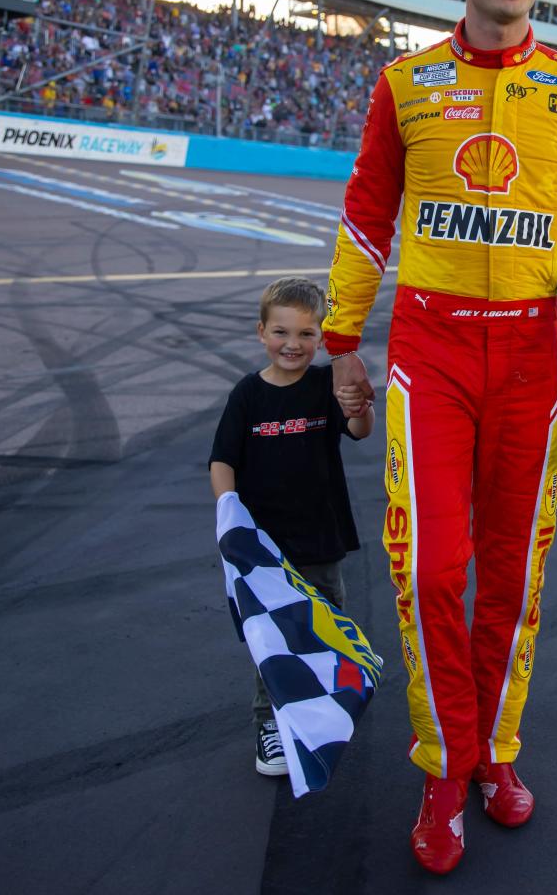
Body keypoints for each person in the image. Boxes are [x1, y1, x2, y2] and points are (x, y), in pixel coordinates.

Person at [323, 0, 557, 873]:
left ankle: (495, 755)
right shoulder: (405, 82)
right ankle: (444, 765)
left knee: (510, 578)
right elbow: (365, 214)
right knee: (429, 569)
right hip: (427, 353)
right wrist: (344, 340)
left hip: (528, 360)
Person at [209, 277, 374, 777]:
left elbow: (360, 432)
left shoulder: (326, 384)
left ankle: (322, 710)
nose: (293, 344)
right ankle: (271, 723)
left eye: (306, 334)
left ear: (321, 338)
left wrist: (360, 407)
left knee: (324, 632)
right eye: (281, 332)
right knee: (275, 640)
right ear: (261, 332)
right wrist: (230, 520)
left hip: (320, 540)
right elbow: (222, 461)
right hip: (265, 549)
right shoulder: (248, 395)